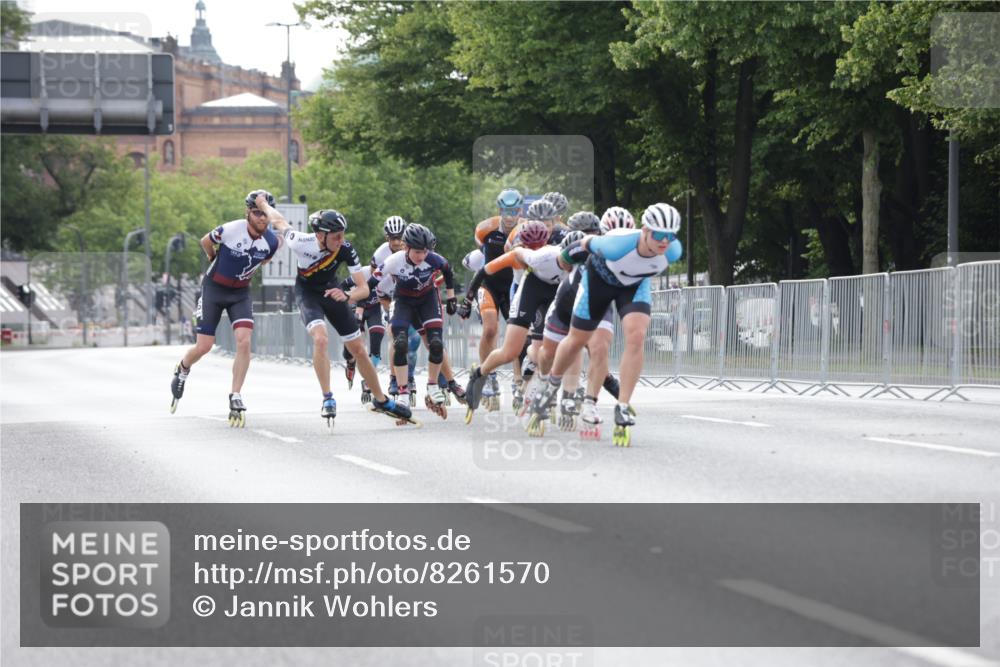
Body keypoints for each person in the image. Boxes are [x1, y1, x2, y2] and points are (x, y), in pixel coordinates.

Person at [526, 203, 683, 446]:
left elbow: (657, 257)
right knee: (577, 341)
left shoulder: (673, 251)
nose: (665, 242)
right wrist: (564, 261)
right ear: (645, 230)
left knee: (636, 336)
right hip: (599, 282)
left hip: (633, 286)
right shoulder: (615, 245)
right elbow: (580, 246)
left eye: (670, 236)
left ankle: (622, 405)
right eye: (659, 235)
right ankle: (550, 387)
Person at [274, 209, 413, 427]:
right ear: (320, 236)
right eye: (336, 236)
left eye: (343, 234)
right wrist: (262, 203)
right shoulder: (299, 241)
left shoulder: (346, 249)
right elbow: (279, 220)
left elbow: (364, 288)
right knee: (321, 339)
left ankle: (381, 400)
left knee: (358, 349)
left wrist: (347, 295)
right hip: (308, 295)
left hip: (333, 292)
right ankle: (328, 397)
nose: (342, 240)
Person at [169, 190, 282, 426]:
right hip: (214, 289)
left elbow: (266, 259)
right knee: (204, 346)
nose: (262, 218)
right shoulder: (231, 229)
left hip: (240, 293)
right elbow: (205, 241)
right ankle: (182, 368)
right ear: (248, 213)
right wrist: (213, 257)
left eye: (265, 214)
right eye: (257, 213)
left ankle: (236, 394)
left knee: (244, 340)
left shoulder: (272, 241)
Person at [459, 222, 583, 423]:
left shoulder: (582, 269)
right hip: (531, 290)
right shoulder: (537, 255)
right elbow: (485, 271)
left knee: (552, 348)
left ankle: (541, 387)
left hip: (555, 295)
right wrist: (467, 300)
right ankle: (479, 373)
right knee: (511, 351)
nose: (575, 269)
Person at [375, 223, 457, 419]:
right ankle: (402, 392)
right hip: (402, 301)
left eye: (425, 251)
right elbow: (372, 282)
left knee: (436, 343)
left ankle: (433, 385)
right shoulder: (392, 260)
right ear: (406, 247)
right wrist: (360, 302)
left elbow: (448, 271)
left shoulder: (433, 259)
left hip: (427, 300)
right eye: (418, 252)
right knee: (401, 343)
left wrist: (452, 298)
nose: (422, 256)